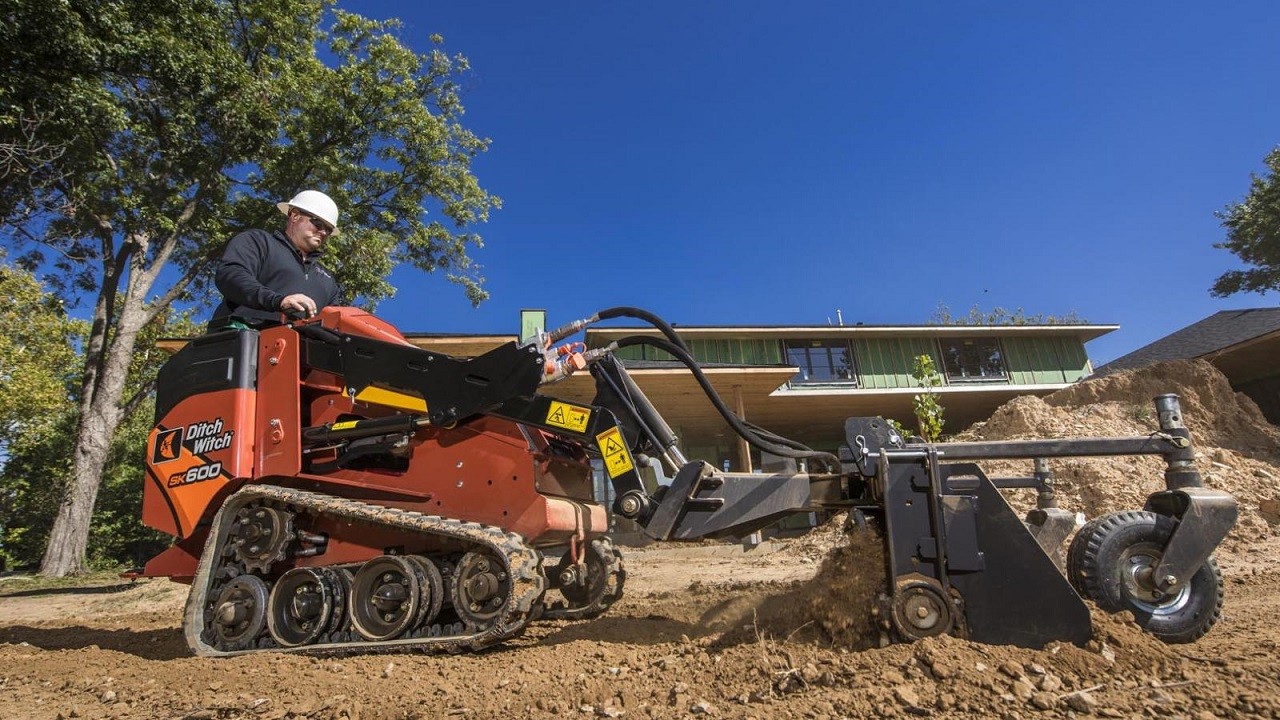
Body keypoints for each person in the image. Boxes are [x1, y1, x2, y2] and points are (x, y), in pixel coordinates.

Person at [209, 190, 344, 331]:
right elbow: (231, 275)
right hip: (243, 338)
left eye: (328, 230)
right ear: (295, 215)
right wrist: (278, 301)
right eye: (318, 224)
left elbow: (334, 322)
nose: (323, 232)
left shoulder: (328, 280)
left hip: (298, 348)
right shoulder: (259, 242)